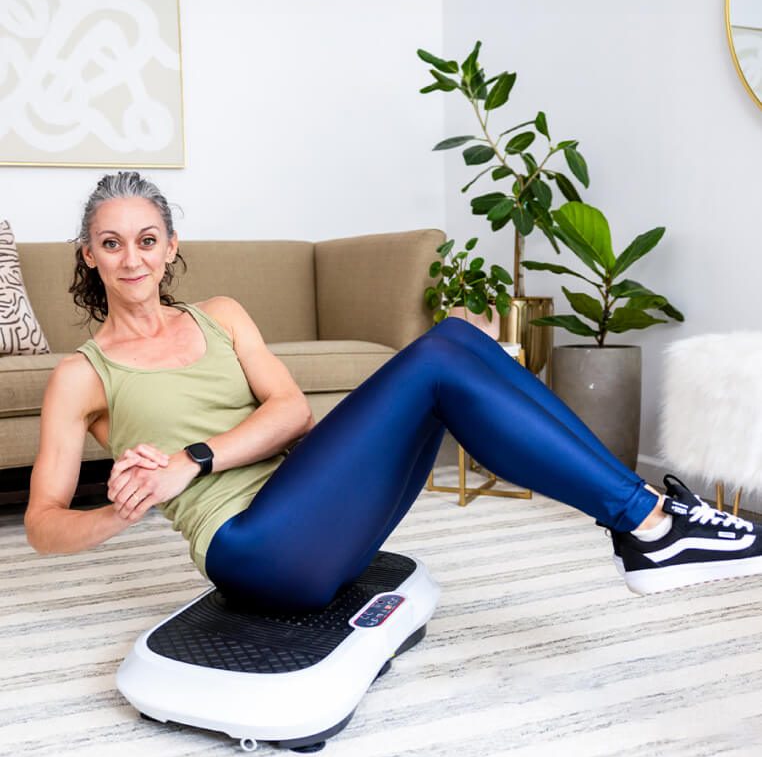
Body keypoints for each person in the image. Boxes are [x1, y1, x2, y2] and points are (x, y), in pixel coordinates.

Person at [24, 172, 762, 611]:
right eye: (112, 242)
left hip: (312, 511)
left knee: (460, 342)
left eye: (146, 239)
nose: (131, 258)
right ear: (88, 254)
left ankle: (647, 522)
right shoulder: (81, 375)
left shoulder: (221, 317)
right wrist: (125, 512)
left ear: (171, 248)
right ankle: (651, 524)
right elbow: (42, 524)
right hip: (253, 552)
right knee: (441, 354)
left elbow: (293, 414)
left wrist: (193, 456)